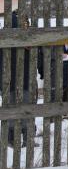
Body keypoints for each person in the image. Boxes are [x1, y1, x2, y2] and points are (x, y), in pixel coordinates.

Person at [0, 11, 36, 147]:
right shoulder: (7, 38)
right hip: (15, 81)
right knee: (17, 106)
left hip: (18, 81)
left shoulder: (28, 40)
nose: (26, 25)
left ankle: (21, 137)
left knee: (21, 106)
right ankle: (15, 138)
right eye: (25, 22)